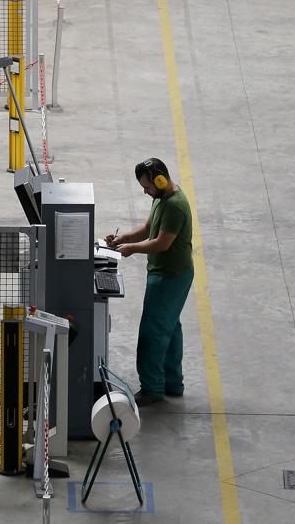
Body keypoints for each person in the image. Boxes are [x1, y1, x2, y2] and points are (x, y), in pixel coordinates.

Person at [104, 158, 194, 407]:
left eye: (147, 186)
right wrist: (124, 238)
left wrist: (130, 248)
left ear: (160, 180)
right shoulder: (162, 198)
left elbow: (161, 243)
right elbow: (148, 228)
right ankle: (173, 384)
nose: (145, 192)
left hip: (169, 277)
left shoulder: (175, 205)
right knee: (170, 329)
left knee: (152, 334)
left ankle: (153, 388)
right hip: (172, 273)